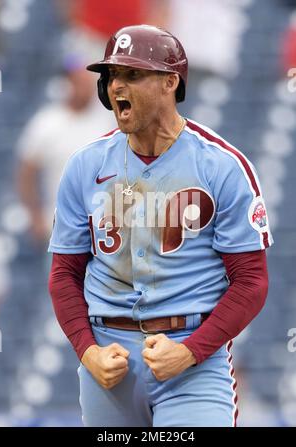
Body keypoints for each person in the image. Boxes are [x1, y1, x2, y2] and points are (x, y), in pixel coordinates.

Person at [48, 24, 273, 427]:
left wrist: (191, 352)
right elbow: (64, 274)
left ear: (170, 82)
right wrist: (87, 352)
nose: (117, 85)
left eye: (133, 74)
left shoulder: (221, 165)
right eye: (112, 75)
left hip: (192, 358)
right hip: (108, 358)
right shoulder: (85, 165)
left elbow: (251, 281)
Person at [17, 54, 115, 245]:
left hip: (104, 229)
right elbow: (26, 172)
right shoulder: (47, 122)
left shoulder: (108, 121)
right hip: (60, 228)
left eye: (88, 83)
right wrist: (34, 216)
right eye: (79, 82)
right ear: (67, 84)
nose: (85, 88)